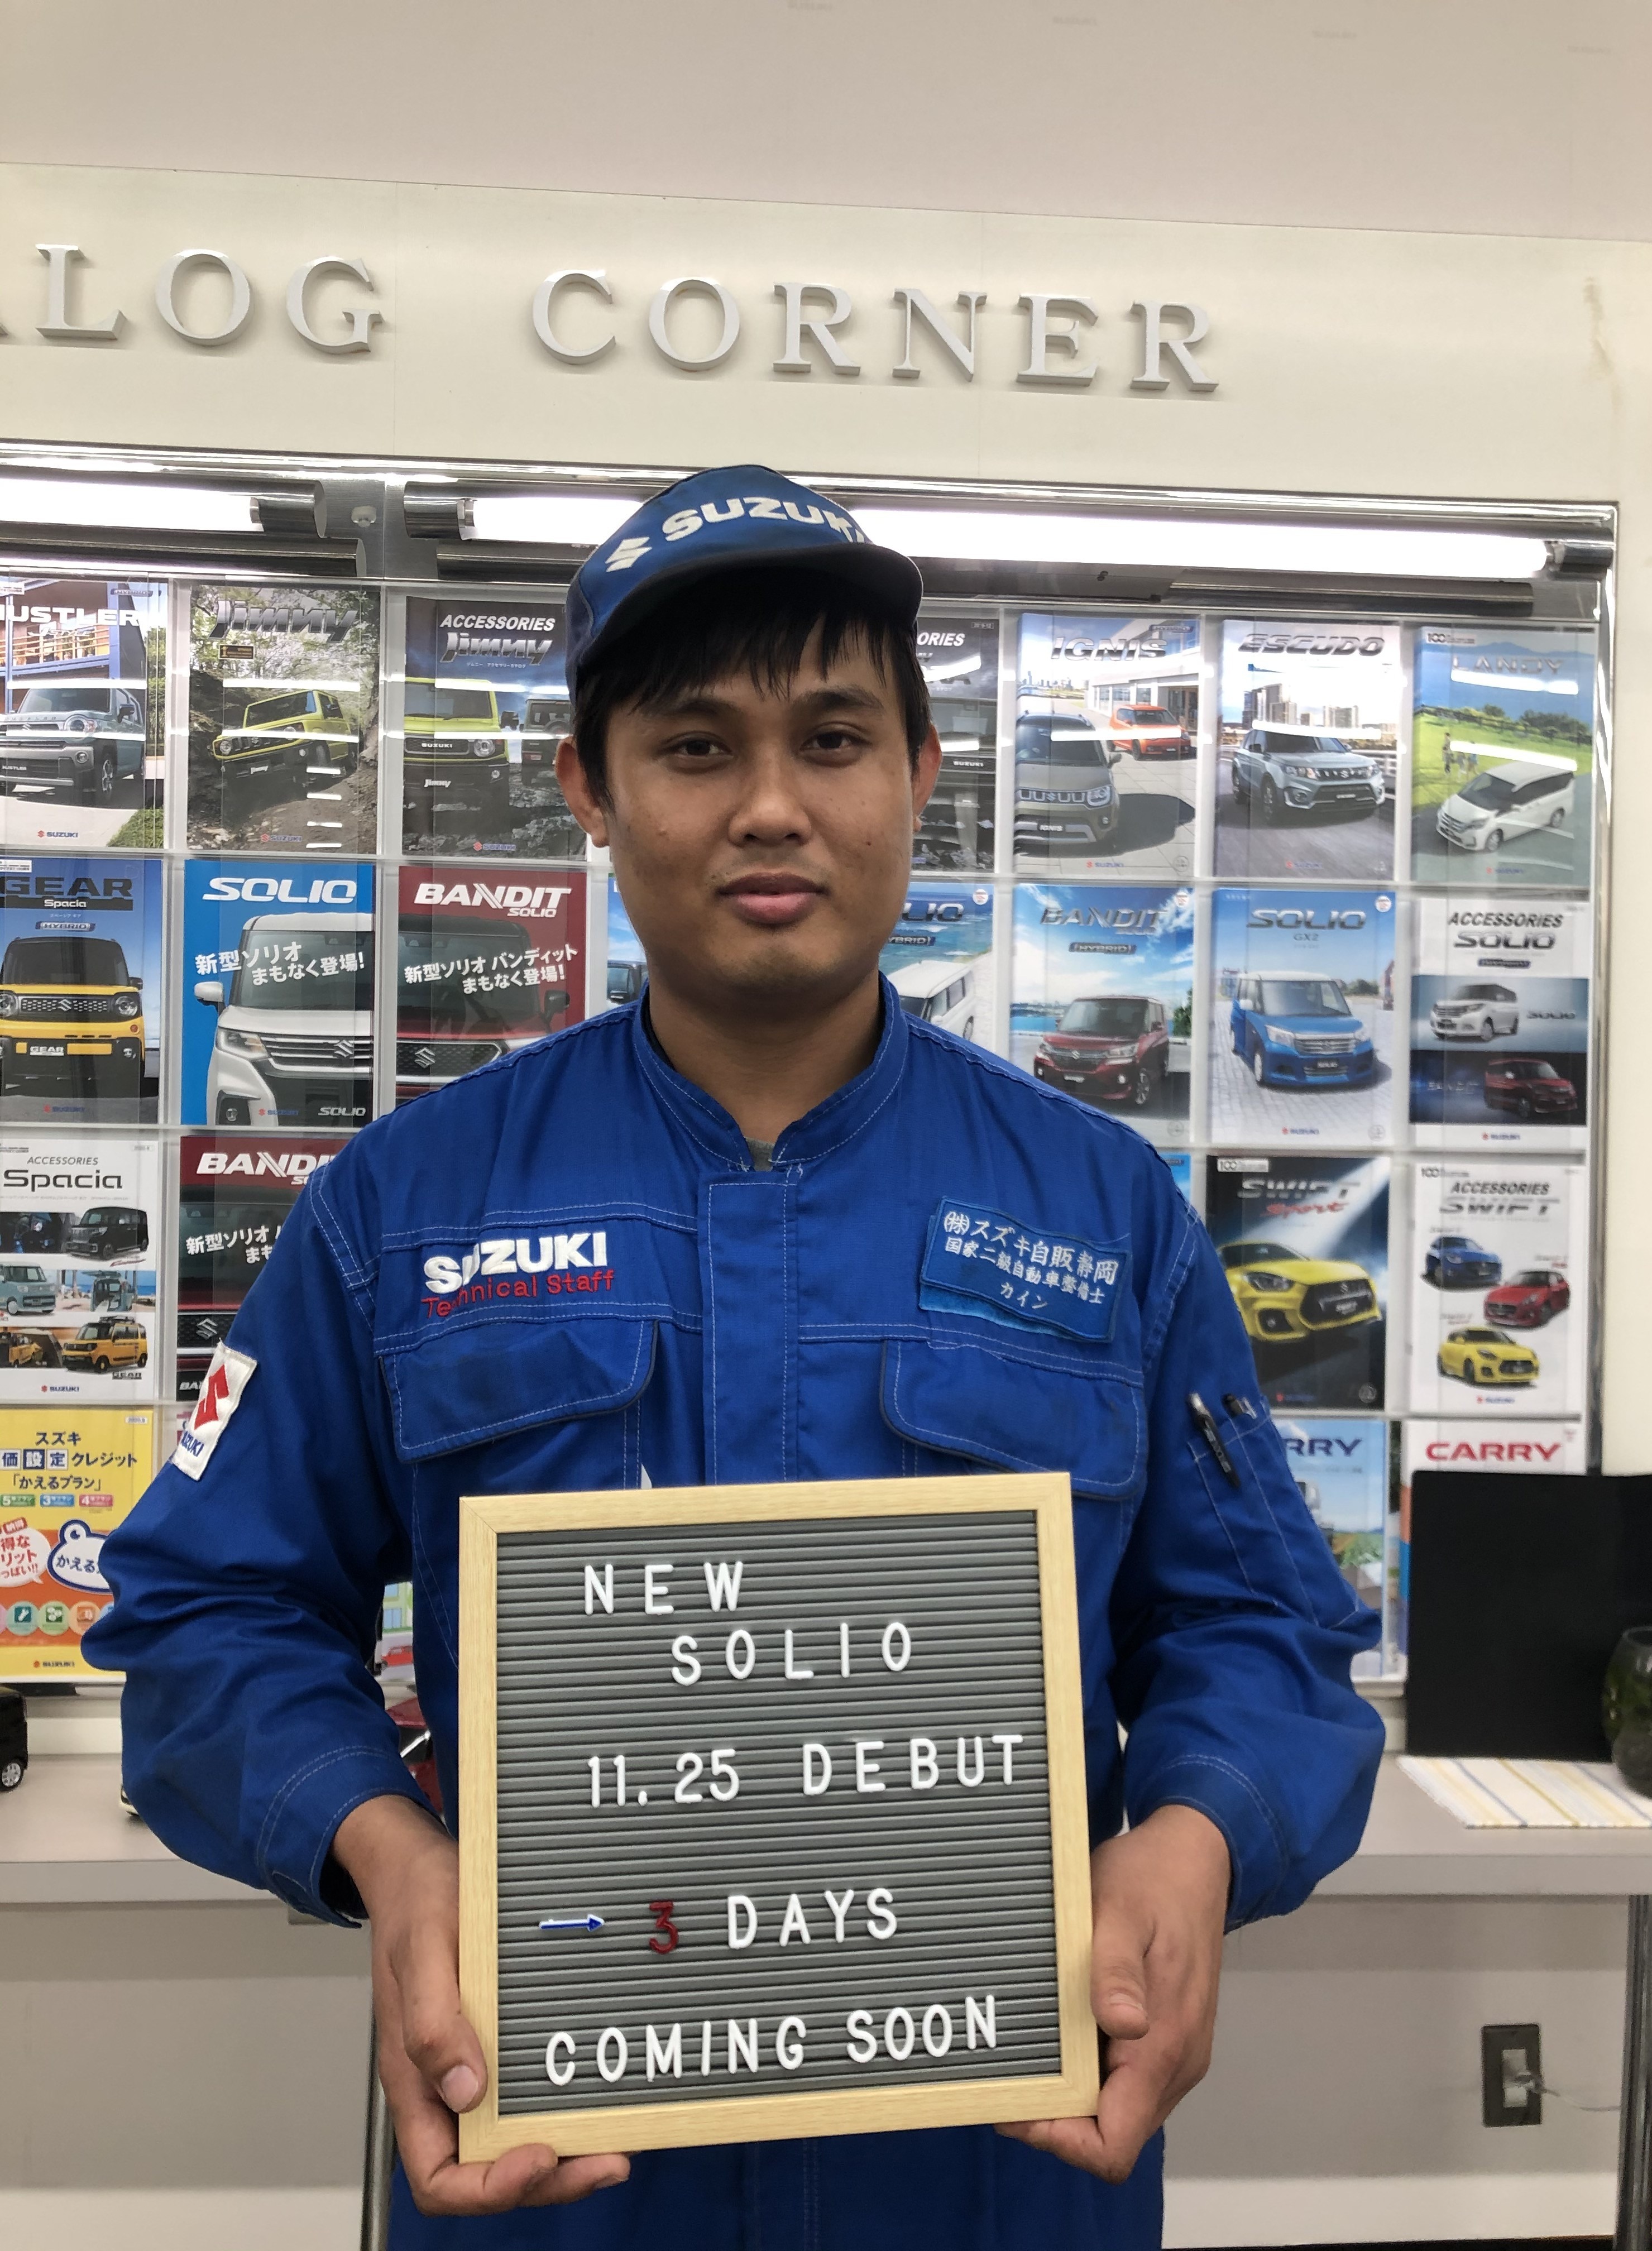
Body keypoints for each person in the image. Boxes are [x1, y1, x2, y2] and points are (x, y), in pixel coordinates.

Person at [89, 466, 1383, 2250]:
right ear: (590, 789)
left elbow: (1263, 1632)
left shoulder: (1108, 1216)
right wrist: (382, 1848)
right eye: (696, 748)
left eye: (833, 740)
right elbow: (203, 1614)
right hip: (556, 2175)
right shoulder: (403, 1208)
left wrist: (1198, 1835)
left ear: (921, 771)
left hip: (993, 2175)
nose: (772, 807)